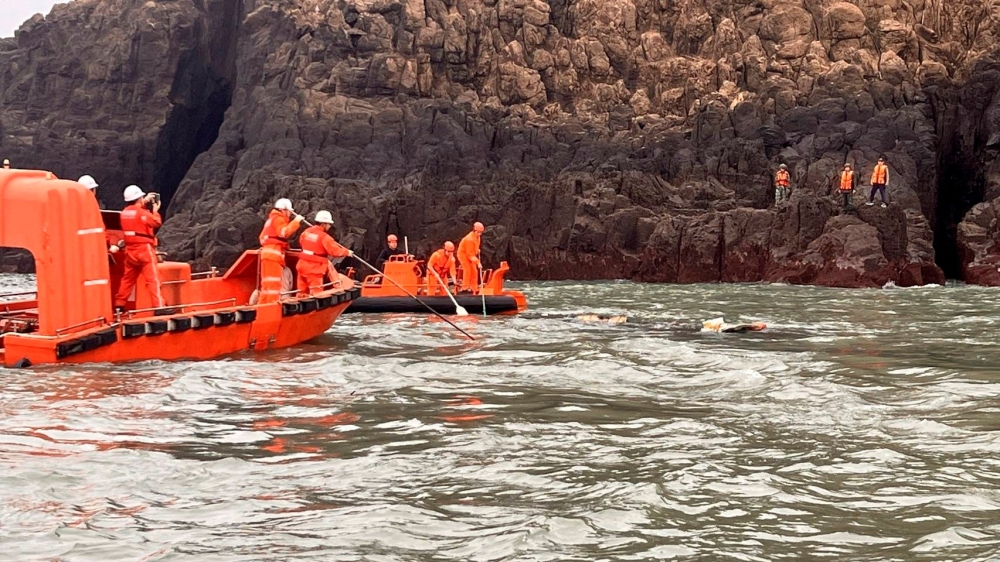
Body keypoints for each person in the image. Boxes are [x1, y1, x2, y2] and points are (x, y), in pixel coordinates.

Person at [113, 185, 169, 314]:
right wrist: (155, 210)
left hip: (130, 251)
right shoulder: (143, 214)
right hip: (144, 250)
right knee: (153, 279)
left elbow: (136, 214)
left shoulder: (124, 213)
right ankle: (159, 306)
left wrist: (144, 202)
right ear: (139, 198)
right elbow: (156, 222)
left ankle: (119, 305)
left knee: (127, 279)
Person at [257, 198, 304, 304]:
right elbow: (284, 232)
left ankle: (261, 306)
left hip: (267, 254)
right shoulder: (278, 219)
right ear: (284, 210)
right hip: (273, 255)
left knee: (266, 285)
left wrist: (284, 245)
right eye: (289, 212)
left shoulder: (271, 220)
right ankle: (272, 307)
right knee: (274, 285)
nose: (289, 215)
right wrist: (296, 222)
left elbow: (264, 237)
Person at [296, 210, 352, 296]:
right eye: (329, 224)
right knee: (316, 294)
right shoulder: (324, 237)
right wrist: (347, 252)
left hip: (301, 266)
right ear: (324, 224)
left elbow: (301, 242)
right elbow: (334, 251)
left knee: (301, 292)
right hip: (314, 269)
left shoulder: (306, 232)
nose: (330, 226)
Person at [457, 221, 485, 293]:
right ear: (474, 230)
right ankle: (465, 288)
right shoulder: (469, 239)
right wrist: (478, 262)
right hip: (463, 255)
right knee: (467, 269)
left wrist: (477, 250)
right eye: (478, 232)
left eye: (480, 232)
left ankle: (474, 288)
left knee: (474, 271)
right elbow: (470, 254)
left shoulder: (477, 237)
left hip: (471, 255)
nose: (479, 234)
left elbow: (474, 248)